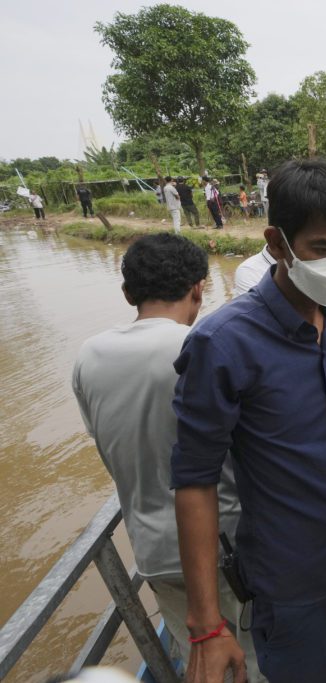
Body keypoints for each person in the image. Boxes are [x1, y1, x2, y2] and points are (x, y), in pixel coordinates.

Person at [172, 159, 326, 683]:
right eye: (323, 250)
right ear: (279, 242)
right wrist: (206, 626)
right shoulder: (222, 345)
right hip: (294, 575)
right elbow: (194, 480)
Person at [71, 234, 264, 681]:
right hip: (226, 547)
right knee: (254, 662)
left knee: (201, 663)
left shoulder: (88, 356)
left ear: (127, 294)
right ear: (200, 287)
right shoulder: (204, 348)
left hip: (153, 552)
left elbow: (107, 443)